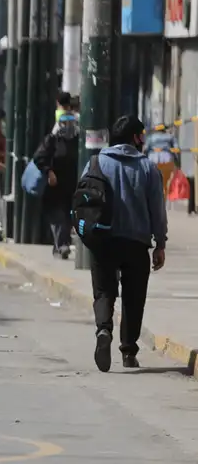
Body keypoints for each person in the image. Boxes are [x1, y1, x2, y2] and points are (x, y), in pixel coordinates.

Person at [86, 116, 167, 372]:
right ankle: (128, 352)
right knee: (134, 298)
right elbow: (157, 210)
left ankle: (103, 330)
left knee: (103, 291)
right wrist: (160, 243)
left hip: (103, 239)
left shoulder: (96, 161)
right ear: (135, 138)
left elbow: (83, 198)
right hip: (136, 242)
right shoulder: (147, 168)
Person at [32, 113, 79, 259]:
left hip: (72, 186)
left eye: (71, 124)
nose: (67, 127)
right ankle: (62, 246)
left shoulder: (78, 141)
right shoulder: (51, 140)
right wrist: (49, 172)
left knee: (68, 217)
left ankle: (59, 246)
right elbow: (39, 158)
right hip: (54, 186)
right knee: (58, 218)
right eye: (64, 124)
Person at [143, 124, 179, 197]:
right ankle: (163, 200)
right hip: (167, 159)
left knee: (153, 182)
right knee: (165, 182)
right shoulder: (170, 137)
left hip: (153, 159)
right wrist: (177, 161)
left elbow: (145, 149)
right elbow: (176, 149)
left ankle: (153, 199)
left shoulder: (151, 137)